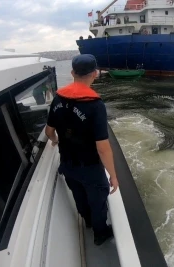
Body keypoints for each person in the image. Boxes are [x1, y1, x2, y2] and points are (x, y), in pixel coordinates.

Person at [45, 54, 119, 246]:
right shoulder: (95, 105)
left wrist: (54, 141)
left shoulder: (58, 98)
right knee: (98, 200)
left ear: (72, 73)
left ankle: (87, 222)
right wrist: (113, 175)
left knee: (79, 196)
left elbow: (49, 131)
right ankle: (100, 233)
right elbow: (102, 147)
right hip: (90, 167)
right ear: (95, 74)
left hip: (67, 165)